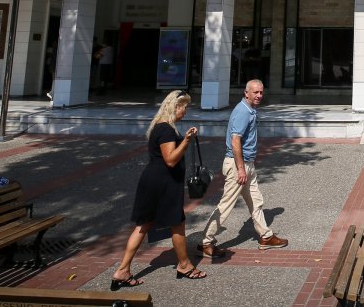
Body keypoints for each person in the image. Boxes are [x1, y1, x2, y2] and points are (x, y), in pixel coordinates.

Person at [111, 90, 205, 289]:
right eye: (184, 107)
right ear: (175, 107)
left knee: (144, 224)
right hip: (163, 182)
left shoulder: (160, 127)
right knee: (177, 222)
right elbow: (170, 160)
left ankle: (123, 270)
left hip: (153, 180)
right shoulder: (166, 130)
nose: (186, 111)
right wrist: (186, 141)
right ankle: (185, 265)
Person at [198, 79, 289, 258]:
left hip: (247, 164)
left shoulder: (250, 110)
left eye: (261, 92)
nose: (259, 96)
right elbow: (235, 141)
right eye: (255, 92)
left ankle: (265, 236)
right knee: (226, 204)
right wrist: (240, 169)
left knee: (256, 200)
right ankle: (206, 242)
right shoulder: (242, 112)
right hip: (237, 165)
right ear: (246, 93)